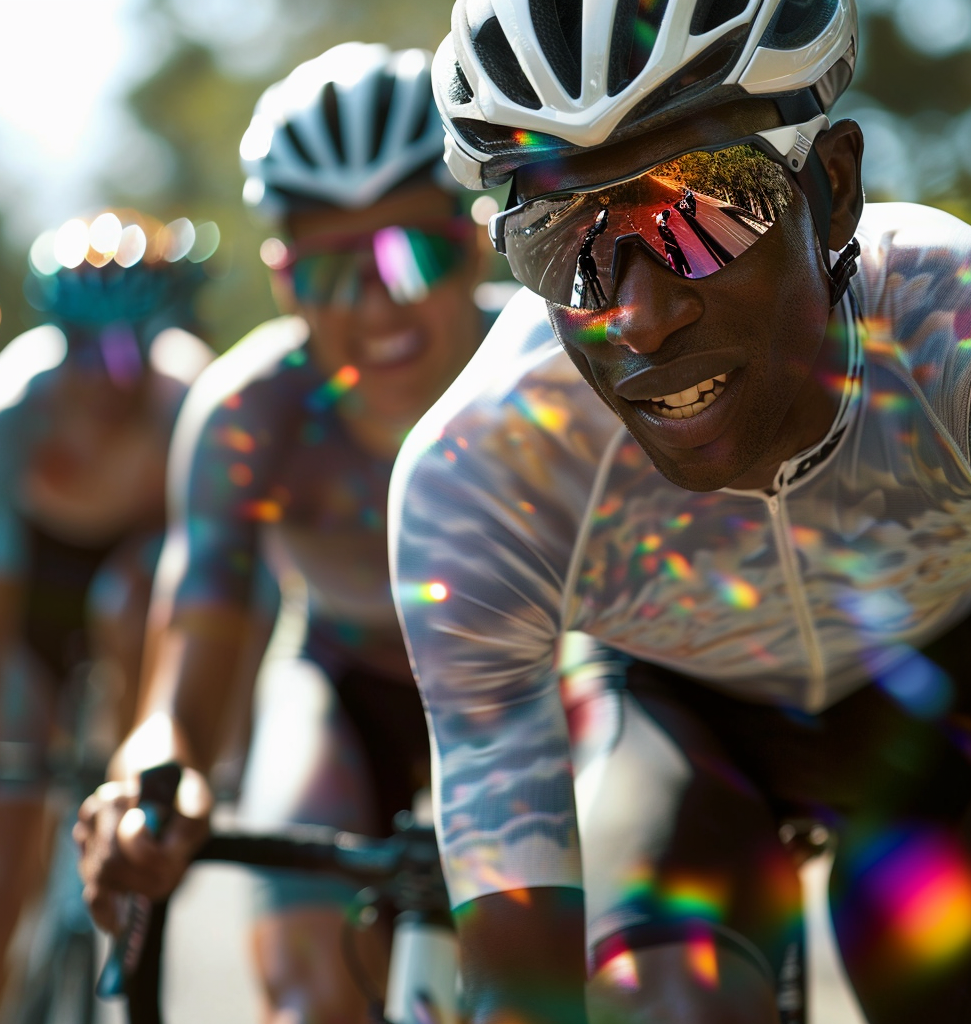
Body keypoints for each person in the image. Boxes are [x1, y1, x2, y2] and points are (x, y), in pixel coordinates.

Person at [390, 1, 971, 1023]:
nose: (639, 314)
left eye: (702, 211)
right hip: (687, 728)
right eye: (562, 243)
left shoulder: (946, 331)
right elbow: (519, 989)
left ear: (832, 188)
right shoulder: (483, 472)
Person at [75, 43, 486, 1024]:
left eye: (412, 253)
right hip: (340, 687)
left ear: (473, 240)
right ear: (282, 280)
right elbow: (190, 668)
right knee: (311, 1000)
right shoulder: (249, 412)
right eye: (335, 271)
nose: (380, 301)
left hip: (536, 688)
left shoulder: (554, 372)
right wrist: (152, 777)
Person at [0, 209, 214, 1024]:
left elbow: (211, 582)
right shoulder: (10, 411)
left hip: (131, 591)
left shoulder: (191, 398)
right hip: (32, 592)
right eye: (88, 348)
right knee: (1, 874)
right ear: (55, 337)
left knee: (133, 595)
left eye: (136, 343)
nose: (113, 374)